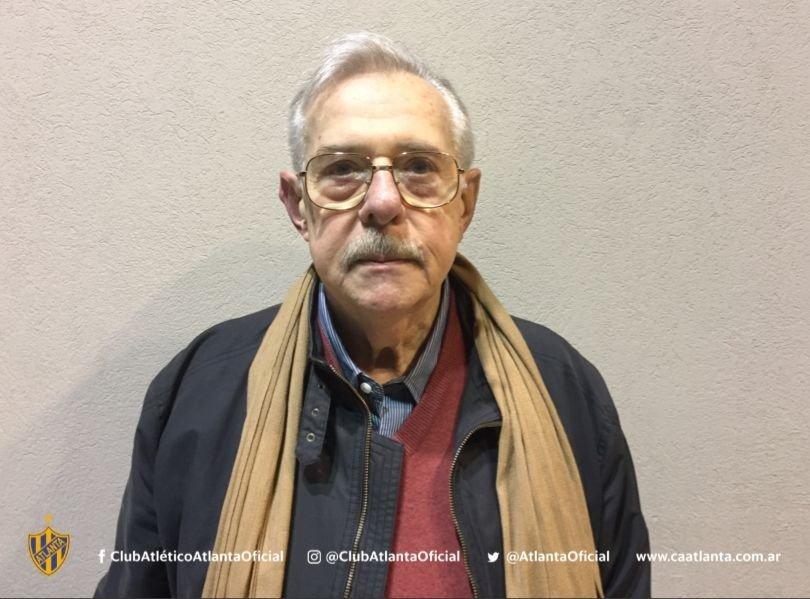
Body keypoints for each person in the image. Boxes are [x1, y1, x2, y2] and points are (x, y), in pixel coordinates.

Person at [95, 31, 650, 599]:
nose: (383, 203)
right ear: (298, 205)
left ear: (464, 203)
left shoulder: (567, 393)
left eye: (419, 167)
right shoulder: (196, 397)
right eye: (342, 168)